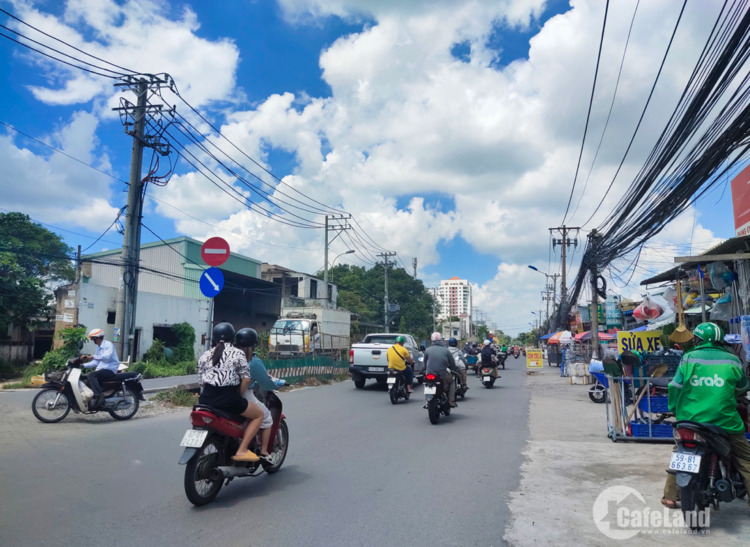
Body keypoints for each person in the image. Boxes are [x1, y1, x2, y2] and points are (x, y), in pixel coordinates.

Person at [661, 322, 750, 509]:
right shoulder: (732, 360)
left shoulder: (688, 358)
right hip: (725, 422)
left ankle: (670, 496)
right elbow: (742, 387)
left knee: (680, 451)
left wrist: (674, 409)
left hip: (690, 420)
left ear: (697, 339)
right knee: (745, 460)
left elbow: (675, 386)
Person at [197, 322, 264, 462]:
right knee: (259, 415)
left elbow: (202, 382)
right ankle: (242, 450)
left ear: (214, 338)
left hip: (206, 400)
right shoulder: (237, 353)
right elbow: (246, 380)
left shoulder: (205, 355)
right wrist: (238, 395)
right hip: (229, 400)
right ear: (232, 338)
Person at [235, 327, 286, 464]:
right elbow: (265, 383)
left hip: (221, 394)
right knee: (266, 417)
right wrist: (277, 385)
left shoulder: (228, 356)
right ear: (253, 345)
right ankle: (264, 452)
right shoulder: (254, 361)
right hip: (243, 394)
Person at [82, 328, 121, 408]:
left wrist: (91, 357)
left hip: (110, 369)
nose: (93, 341)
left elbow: (106, 357)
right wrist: (83, 365)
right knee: (84, 377)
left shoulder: (108, 345)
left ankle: (98, 397)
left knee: (92, 375)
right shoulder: (98, 348)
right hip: (102, 369)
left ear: (98, 337)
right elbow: (95, 362)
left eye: (93, 339)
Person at [424, 332, 459, 407]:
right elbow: (452, 364)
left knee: (427, 384)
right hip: (442, 374)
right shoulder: (446, 350)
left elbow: (424, 363)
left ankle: (427, 401)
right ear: (441, 340)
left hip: (430, 373)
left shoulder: (427, 350)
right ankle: (451, 400)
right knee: (452, 382)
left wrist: (424, 371)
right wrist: (454, 369)